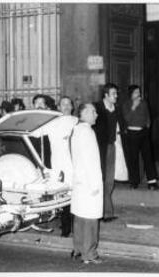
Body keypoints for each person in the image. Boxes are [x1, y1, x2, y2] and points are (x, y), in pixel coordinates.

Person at [70, 103, 104, 264]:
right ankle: (90, 254)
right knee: (90, 219)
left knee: (80, 217)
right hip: (89, 182)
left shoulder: (76, 130)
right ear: (83, 113)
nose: (96, 114)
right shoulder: (88, 132)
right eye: (93, 111)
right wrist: (95, 185)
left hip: (79, 181)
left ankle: (78, 249)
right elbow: (90, 161)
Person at [93, 83, 127, 222]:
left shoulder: (116, 109)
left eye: (116, 93)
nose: (116, 96)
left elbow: (123, 125)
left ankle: (106, 212)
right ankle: (101, 212)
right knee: (100, 180)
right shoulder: (97, 108)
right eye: (113, 94)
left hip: (112, 147)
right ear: (106, 95)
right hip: (99, 148)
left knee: (109, 181)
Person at [122, 85, 159, 190]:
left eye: (139, 92)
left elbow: (148, 116)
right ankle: (134, 182)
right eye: (135, 92)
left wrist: (147, 125)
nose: (138, 94)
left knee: (148, 157)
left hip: (143, 133)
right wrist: (133, 106)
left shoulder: (144, 103)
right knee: (133, 158)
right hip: (132, 134)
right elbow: (127, 118)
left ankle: (152, 182)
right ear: (130, 94)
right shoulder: (126, 104)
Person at [56, 96, 78, 237]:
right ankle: (65, 228)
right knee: (63, 198)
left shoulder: (77, 122)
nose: (66, 106)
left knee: (74, 197)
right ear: (58, 107)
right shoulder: (52, 122)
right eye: (63, 104)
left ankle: (74, 228)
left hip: (74, 164)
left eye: (68, 104)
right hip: (59, 165)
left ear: (72, 107)